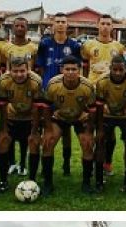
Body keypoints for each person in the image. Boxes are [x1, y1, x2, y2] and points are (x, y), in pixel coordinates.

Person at [35, 12, 82, 177]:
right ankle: (45, 166)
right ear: (53, 24)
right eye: (58, 21)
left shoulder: (75, 46)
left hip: (69, 92)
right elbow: (40, 67)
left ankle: (66, 164)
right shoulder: (44, 43)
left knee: (67, 129)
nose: (61, 24)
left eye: (63, 22)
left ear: (67, 25)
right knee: (49, 129)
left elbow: (78, 67)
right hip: (50, 92)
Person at [42, 56, 98, 193]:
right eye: (68, 69)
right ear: (62, 70)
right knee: (48, 143)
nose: (71, 72)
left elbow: (92, 110)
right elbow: (46, 107)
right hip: (60, 116)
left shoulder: (87, 86)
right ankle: (48, 183)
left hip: (80, 117)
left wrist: (90, 132)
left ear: (79, 70)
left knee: (87, 145)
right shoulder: (53, 84)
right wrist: (48, 130)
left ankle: (86, 183)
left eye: (74, 69)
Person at [0, 57, 43, 194]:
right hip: (11, 116)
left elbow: (37, 107)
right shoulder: (3, 81)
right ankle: (3, 181)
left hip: (30, 118)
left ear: (28, 69)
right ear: (10, 71)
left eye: (22, 71)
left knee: (33, 143)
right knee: (3, 142)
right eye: (15, 71)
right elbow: (2, 106)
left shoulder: (36, 81)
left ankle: (32, 181)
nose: (19, 74)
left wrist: (34, 131)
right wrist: (3, 129)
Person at [94, 56, 126, 192]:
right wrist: (100, 128)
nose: (118, 73)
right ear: (110, 69)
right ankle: (99, 179)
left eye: (121, 70)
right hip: (107, 115)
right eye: (115, 69)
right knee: (101, 142)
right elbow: (99, 105)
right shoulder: (102, 81)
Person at [82, 14, 126, 82]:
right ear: (97, 25)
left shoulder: (119, 46)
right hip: (93, 84)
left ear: (112, 27)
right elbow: (85, 66)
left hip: (111, 85)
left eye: (108, 24)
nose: (105, 26)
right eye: (102, 23)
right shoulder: (88, 45)